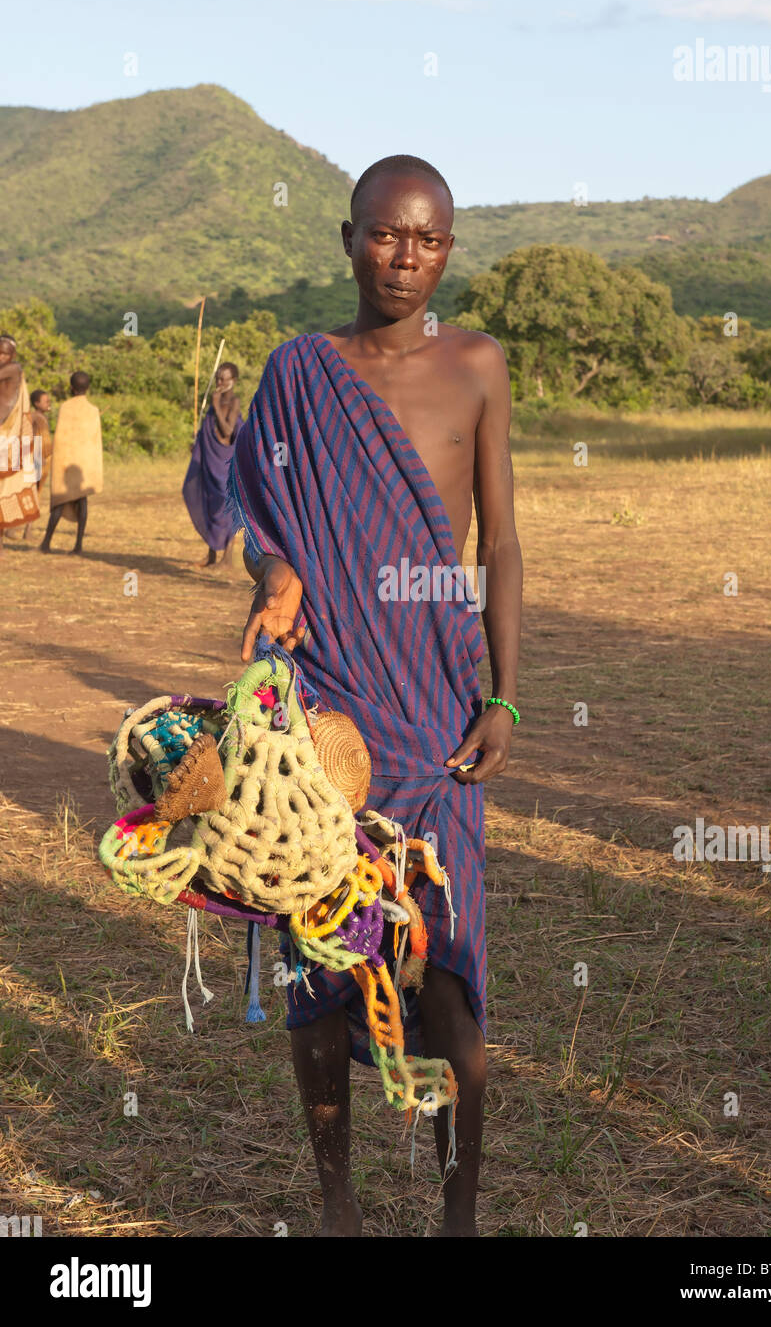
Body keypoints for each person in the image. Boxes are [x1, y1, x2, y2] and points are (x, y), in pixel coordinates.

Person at [229, 155, 523, 1237]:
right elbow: (258, 513)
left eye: (429, 239)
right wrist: (275, 571)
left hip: (439, 705)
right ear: (345, 237)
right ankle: (338, 1204)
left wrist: (505, 698)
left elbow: (501, 543)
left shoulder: (478, 366)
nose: (406, 257)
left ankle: (458, 1210)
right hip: (332, 714)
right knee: (319, 965)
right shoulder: (298, 372)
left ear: (449, 248)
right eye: (386, 235)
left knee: (447, 973)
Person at [183, 361, 243, 566]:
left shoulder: (234, 402)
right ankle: (211, 556)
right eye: (217, 378)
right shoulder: (210, 406)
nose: (219, 382)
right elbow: (208, 433)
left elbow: (227, 432)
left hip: (226, 462)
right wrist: (198, 443)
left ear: (233, 381)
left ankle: (227, 557)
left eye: (223, 379)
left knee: (227, 505)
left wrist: (217, 406)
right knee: (209, 500)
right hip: (210, 460)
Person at [41, 371, 102, 555]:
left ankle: (46, 543)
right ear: (87, 388)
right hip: (84, 464)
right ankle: (78, 545)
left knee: (59, 502)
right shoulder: (93, 410)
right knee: (82, 501)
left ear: (71, 388)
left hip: (66, 463)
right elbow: (95, 441)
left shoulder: (65, 407)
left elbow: (60, 438)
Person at [0, 335, 39, 554]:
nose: (1, 357)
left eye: (4, 353)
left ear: (12, 355)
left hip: (7, 436)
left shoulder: (13, 368)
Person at [20, 389, 53, 544]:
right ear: (36, 403)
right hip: (36, 459)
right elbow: (42, 441)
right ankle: (27, 531)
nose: (49, 403)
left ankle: (16, 529)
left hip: (27, 456)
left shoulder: (30, 417)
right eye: (46, 401)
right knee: (34, 496)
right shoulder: (40, 419)